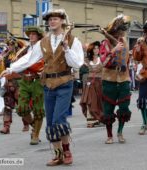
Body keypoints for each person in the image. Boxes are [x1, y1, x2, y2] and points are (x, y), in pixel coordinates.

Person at [41, 9, 83, 166]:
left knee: (59, 119)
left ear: (62, 21)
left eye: (55, 19)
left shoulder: (73, 40)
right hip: (48, 84)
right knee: (51, 123)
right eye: (50, 19)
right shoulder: (44, 41)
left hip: (65, 82)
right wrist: (11, 69)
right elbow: (29, 58)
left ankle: (67, 151)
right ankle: (58, 155)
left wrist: (66, 49)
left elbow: (77, 63)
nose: (52, 22)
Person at [0, 26, 45, 145]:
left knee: (38, 109)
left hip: (37, 81)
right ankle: (35, 126)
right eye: (29, 34)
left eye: (33, 34)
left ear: (39, 36)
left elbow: (43, 61)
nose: (31, 36)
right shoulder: (25, 49)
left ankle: (35, 135)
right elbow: (16, 61)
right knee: (22, 109)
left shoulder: (43, 47)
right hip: (24, 81)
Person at [100, 15, 132, 144]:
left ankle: (120, 131)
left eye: (123, 30)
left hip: (123, 78)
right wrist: (113, 50)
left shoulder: (124, 41)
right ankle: (109, 135)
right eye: (119, 30)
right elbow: (104, 62)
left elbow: (126, 60)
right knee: (108, 108)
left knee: (124, 107)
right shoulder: (105, 43)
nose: (122, 33)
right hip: (109, 79)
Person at [0, 39, 29, 134]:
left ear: (16, 46)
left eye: (11, 45)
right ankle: (6, 126)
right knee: (7, 106)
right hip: (8, 83)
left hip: (20, 83)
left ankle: (26, 123)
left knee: (21, 106)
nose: (9, 46)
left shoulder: (22, 56)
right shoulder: (6, 56)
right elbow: (1, 69)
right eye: (8, 45)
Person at [80, 41, 103, 128]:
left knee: (100, 101)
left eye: (97, 48)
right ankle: (91, 120)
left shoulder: (103, 59)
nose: (96, 50)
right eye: (94, 48)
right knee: (90, 100)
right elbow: (79, 57)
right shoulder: (87, 60)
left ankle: (99, 118)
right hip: (90, 83)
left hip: (100, 82)